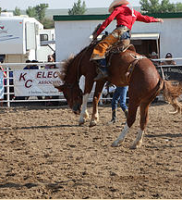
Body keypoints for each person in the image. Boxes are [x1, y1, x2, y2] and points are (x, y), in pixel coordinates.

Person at [90, 0, 164, 81]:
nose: (114, 9)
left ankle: (103, 70)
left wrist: (97, 33)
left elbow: (108, 20)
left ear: (117, 5)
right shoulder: (134, 12)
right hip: (127, 36)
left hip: (119, 32)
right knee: (112, 49)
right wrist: (156, 19)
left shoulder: (119, 9)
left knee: (101, 46)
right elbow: (146, 19)